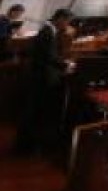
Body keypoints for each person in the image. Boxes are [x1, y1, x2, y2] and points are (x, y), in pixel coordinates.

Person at [15, 9, 76, 154]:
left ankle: (28, 145)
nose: (67, 25)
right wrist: (66, 65)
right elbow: (49, 57)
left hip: (40, 77)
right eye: (67, 21)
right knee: (33, 113)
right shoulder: (47, 32)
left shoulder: (48, 31)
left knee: (34, 113)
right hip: (40, 79)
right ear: (60, 18)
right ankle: (26, 147)